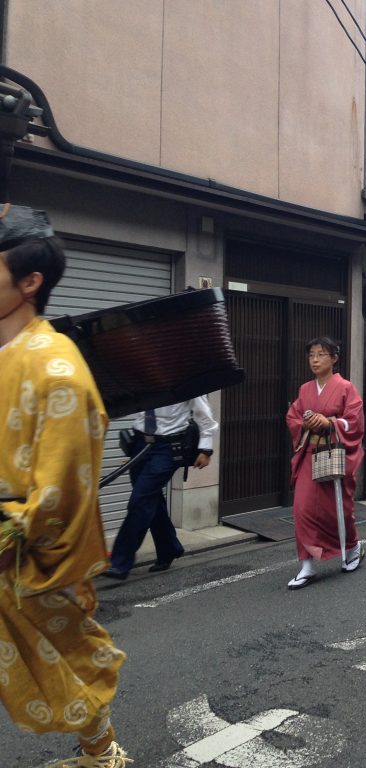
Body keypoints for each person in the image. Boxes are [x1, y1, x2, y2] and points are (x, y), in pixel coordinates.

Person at [0, 210, 128, 765]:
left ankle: (101, 753)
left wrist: (13, 529)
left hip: (23, 553)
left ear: (30, 283)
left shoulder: (57, 371)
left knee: (69, 658)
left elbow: (61, 491)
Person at [103, 397, 218, 580]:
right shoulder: (142, 375)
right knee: (151, 499)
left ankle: (120, 562)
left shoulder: (183, 374)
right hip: (139, 442)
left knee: (140, 501)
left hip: (167, 447)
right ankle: (169, 548)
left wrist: (206, 449)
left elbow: (203, 414)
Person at [285, 337, 366, 590]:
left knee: (337, 510)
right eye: (311, 355)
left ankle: (352, 547)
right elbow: (293, 416)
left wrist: (330, 422)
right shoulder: (305, 390)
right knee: (302, 509)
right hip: (310, 455)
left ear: (334, 358)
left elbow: (354, 421)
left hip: (335, 455)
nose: (315, 360)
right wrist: (306, 423)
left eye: (321, 354)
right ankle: (306, 564)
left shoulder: (345, 388)